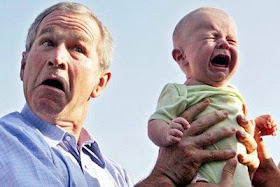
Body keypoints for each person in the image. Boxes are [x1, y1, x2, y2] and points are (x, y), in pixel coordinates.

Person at [0, 2, 275, 187]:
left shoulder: (114, 175)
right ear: (23, 65)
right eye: (47, 42)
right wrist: (164, 176)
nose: (57, 58)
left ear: (101, 83)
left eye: (78, 49)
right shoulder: (5, 144)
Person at [148, 7, 277, 186]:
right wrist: (165, 133)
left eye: (231, 40)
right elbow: (156, 121)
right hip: (201, 178)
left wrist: (257, 126)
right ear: (181, 56)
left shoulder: (234, 93)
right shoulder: (179, 92)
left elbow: (236, 126)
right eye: (211, 37)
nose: (224, 43)